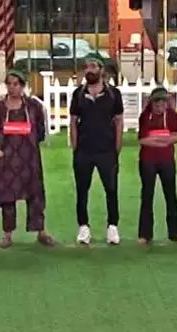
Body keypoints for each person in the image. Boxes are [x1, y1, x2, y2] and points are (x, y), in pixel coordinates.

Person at [0, 70, 55, 249]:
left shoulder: (33, 106)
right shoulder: (0, 108)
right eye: (9, 84)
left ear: (23, 86)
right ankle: (7, 234)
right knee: (7, 196)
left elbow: (40, 132)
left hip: (30, 158)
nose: (12, 88)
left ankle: (41, 232)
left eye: (16, 84)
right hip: (6, 159)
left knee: (34, 194)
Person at [69, 53, 124, 245]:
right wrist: (75, 146)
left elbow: (119, 121)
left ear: (101, 69)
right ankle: (83, 227)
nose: (89, 70)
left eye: (93, 66)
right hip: (84, 150)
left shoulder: (113, 94)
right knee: (82, 190)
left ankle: (112, 227)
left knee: (111, 189)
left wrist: (117, 147)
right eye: (86, 67)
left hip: (106, 150)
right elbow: (73, 121)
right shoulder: (78, 94)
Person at [135, 87, 177, 245]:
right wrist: (165, 140)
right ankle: (145, 234)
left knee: (171, 195)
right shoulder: (145, 116)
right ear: (152, 103)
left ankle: (174, 234)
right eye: (157, 104)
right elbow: (143, 140)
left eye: (163, 103)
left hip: (167, 160)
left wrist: (156, 139)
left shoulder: (172, 115)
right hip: (148, 161)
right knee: (147, 196)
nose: (160, 107)